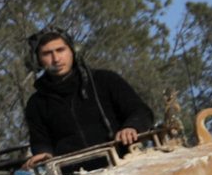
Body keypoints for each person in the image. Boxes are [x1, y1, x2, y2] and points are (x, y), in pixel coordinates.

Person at [22, 31, 153, 159]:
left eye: (60, 50)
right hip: (72, 174)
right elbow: (40, 141)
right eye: (47, 54)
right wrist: (43, 153)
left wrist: (131, 126)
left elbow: (140, 111)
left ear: (73, 51)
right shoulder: (36, 104)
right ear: (38, 60)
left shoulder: (105, 80)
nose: (56, 59)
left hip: (122, 161)